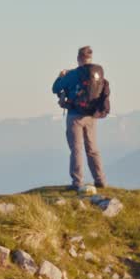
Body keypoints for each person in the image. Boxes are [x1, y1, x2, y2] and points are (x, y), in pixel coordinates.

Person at [52, 46, 110, 190]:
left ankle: (77, 182)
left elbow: (55, 88)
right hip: (91, 116)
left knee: (77, 149)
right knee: (92, 149)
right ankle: (100, 180)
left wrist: (61, 76)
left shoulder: (72, 74)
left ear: (78, 58)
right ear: (90, 58)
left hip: (75, 116)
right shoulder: (98, 75)